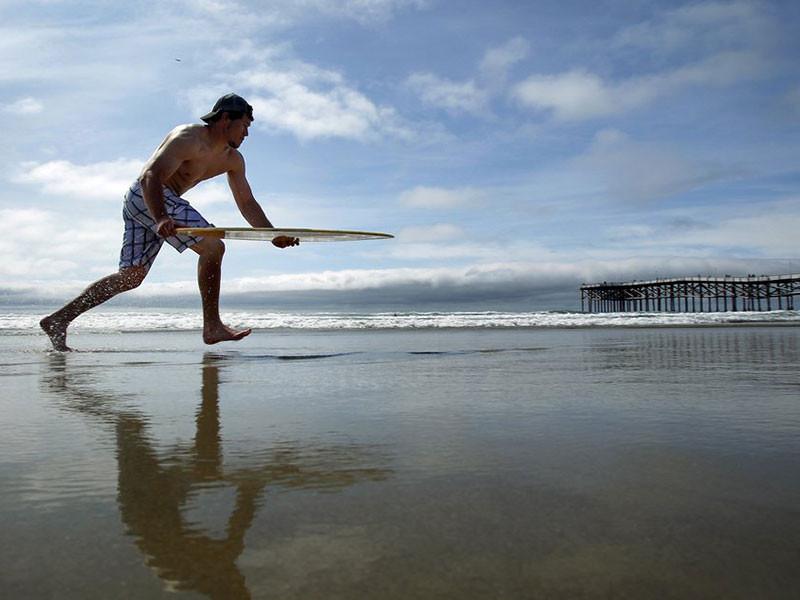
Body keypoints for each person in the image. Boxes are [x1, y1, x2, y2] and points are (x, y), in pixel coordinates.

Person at [40, 93, 298, 351]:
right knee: (213, 245)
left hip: (148, 203)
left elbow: (247, 203)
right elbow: (150, 175)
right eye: (245, 125)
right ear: (225, 118)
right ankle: (212, 326)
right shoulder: (188, 138)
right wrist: (161, 216)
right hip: (148, 195)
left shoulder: (232, 160)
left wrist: (271, 234)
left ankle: (59, 319)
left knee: (131, 277)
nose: (246, 134)